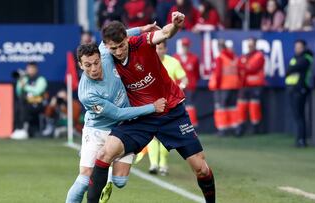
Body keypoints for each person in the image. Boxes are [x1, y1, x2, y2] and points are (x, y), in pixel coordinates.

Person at [87, 11, 216, 203]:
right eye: (114, 48)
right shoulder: (105, 54)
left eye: (122, 45)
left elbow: (163, 34)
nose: (119, 51)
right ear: (107, 46)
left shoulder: (141, 43)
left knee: (200, 167)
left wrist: (176, 26)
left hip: (171, 111)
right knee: (105, 153)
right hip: (141, 116)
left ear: (127, 39)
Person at [65, 25, 164, 203]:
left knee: (120, 181)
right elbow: (117, 113)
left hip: (122, 129)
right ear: (80, 65)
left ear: (100, 58)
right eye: (87, 65)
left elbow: (120, 37)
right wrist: (152, 107)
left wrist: (144, 29)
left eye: (96, 63)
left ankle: (109, 173)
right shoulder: (87, 93)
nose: (94, 68)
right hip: (97, 130)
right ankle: (103, 166)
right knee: (84, 179)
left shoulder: (105, 53)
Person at [146, 41, 187, 176]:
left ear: (165, 49)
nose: (159, 51)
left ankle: (163, 164)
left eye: (161, 48)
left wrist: (181, 86)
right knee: (152, 135)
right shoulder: (148, 62)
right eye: (157, 48)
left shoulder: (173, 62)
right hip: (153, 103)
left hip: (170, 104)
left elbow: (184, 78)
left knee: (165, 135)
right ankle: (153, 164)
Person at [209, 40, 240, 136]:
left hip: (223, 86)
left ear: (219, 48)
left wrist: (217, 86)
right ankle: (235, 128)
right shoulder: (234, 57)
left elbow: (218, 74)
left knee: (220, 108)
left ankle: (222, 129)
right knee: (232, 107)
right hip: (234, 86)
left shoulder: (220, 58)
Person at [285, 39, 313, 147]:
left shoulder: (306, 58)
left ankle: (302, 140)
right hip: (292, 89)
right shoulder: (295, 58)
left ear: (304, 47)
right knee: (296, 116)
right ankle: (298, 139)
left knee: (300, 116)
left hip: (300, 89)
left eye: (299, 47)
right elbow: (289, 70)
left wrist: (291, 69)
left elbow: (294, 68)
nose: (297, 49)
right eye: (296, 47)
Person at [236, 38, 266, 136]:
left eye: (251, 44)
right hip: (244, 85)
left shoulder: (259, 56)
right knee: (242, 106)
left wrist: (243, 67)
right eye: (249, 45)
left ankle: (255, 128)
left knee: (254, 107)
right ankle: (241, 128)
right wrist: (244, 67)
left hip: (255, 85)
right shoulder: (244, 56)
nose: (250, 46)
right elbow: (239, 66)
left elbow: (253, 68)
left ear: (255, 45)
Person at [11, 62, 48, 139]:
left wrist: (25, 87)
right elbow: (18, 92)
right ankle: (19, 128)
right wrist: (20, 81)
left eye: (31, 68)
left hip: (38, 103)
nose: (30, 70)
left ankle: (24, 128)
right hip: (26, 103)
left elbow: (37, 91)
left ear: (35, 69)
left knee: (23, 104)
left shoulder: (41, 79)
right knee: (19, 103)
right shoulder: (25, 79)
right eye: (28, 68)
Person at [173, 37, 200, 127]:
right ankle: (180, 124)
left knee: (190, 104)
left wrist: (194, 82)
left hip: (190, 85)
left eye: (186, 46)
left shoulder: (194, 58)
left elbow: (197, 72)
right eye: (184, 46)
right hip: (178, 86)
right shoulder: (175, 58)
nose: (185, 48)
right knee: (179, 105)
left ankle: (191, 124)